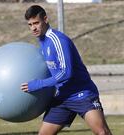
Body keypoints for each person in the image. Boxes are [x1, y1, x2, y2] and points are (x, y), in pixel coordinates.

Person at [21, 5, 112, 135]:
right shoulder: (42, 42)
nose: (33, 28)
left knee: (102, 132)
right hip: (63, 97)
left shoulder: (58, 40)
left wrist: (38, 84)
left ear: (45, 19)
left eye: (36, 23)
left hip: (82, 94)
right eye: (30, 25)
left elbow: (66, 73)